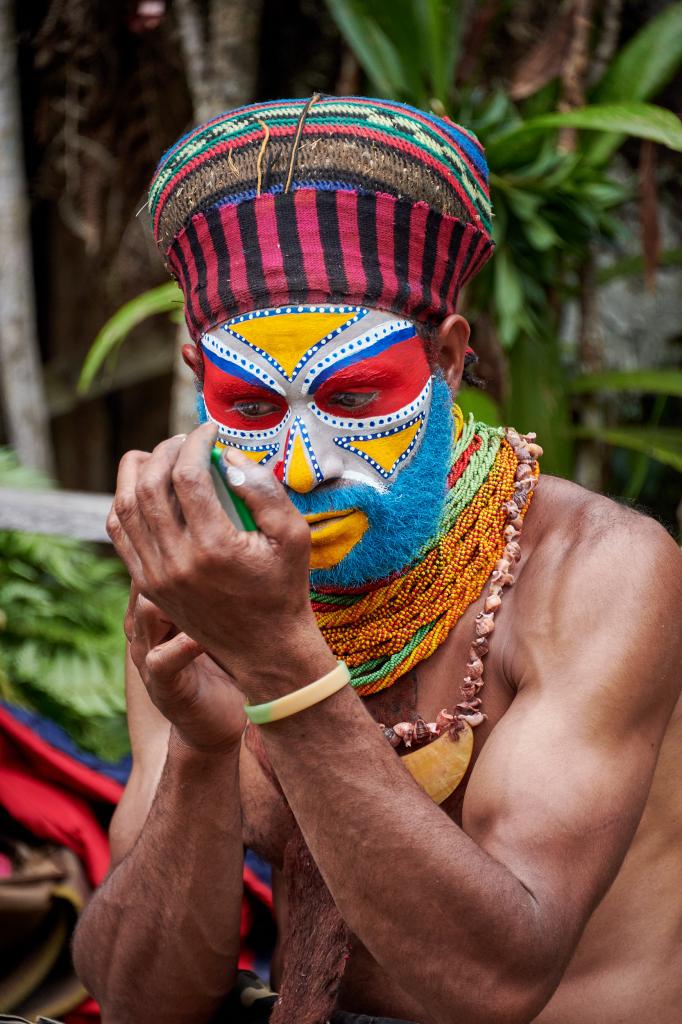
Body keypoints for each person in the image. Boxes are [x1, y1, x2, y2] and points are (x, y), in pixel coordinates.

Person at [72, 97, 682, 1024]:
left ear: (445, 360)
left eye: (355, 396)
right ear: (201, 383)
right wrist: (200, 749)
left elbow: (494, 986)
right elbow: (137, 999)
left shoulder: (595, 573)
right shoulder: (209, 574)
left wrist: (280, 663)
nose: (306, 466)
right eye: (249, 409)